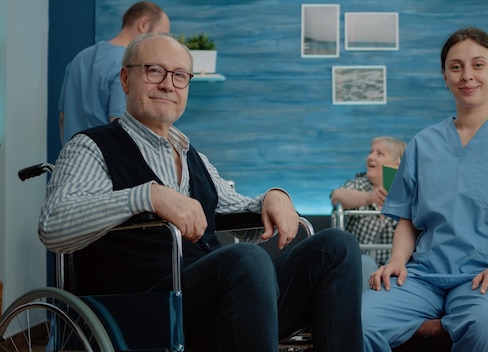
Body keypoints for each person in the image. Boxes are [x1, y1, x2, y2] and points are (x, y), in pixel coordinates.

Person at [40, 32, 363, 352]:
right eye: (154, 71)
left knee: (337, 245)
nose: (168, 84)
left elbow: (241, 214)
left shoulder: (194, 156)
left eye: (180, 76)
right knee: (244, 258)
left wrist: (273, 197)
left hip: (212, 303)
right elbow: (54, 226)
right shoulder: (91, 147)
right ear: (125, 79)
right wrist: (148, 195)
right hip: (141, 309)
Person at [361, 27, 488, 352]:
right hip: (423, 277)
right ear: (445, 76)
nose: (467, 76)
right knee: (358, 320)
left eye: (478, 65)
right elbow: (406, 220)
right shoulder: (423, 144)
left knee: (485, 327)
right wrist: (398, 261)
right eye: (456, 66)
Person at [58, 1, 170, 144]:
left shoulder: (79, 58)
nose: (161, 44)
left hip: (72, 157)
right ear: (143, 24)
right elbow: (121, 126)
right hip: (106, 162)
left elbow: (63, 118)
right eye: (161, 35)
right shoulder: (128, 65)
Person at [330, 136, 406, 291]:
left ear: (397, 162)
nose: (370, 157)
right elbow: (336, 196)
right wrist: (369, 197)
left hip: (392, 263)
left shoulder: (408, 191)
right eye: (371, 152)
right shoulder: (359, 184)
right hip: (359, 264)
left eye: (380, 154)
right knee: (365, 263)